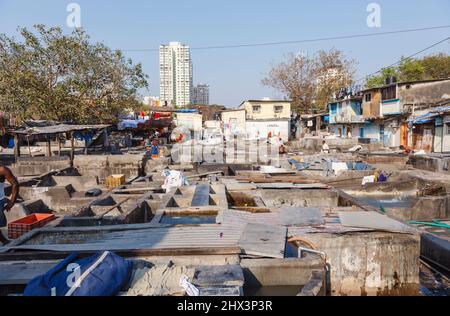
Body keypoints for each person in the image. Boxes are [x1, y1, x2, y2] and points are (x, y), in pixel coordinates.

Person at [0, 165, 19, 245]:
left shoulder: (2, 170)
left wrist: (11, 202)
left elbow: (15, 184)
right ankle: (4, 241)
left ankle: (4, 241)